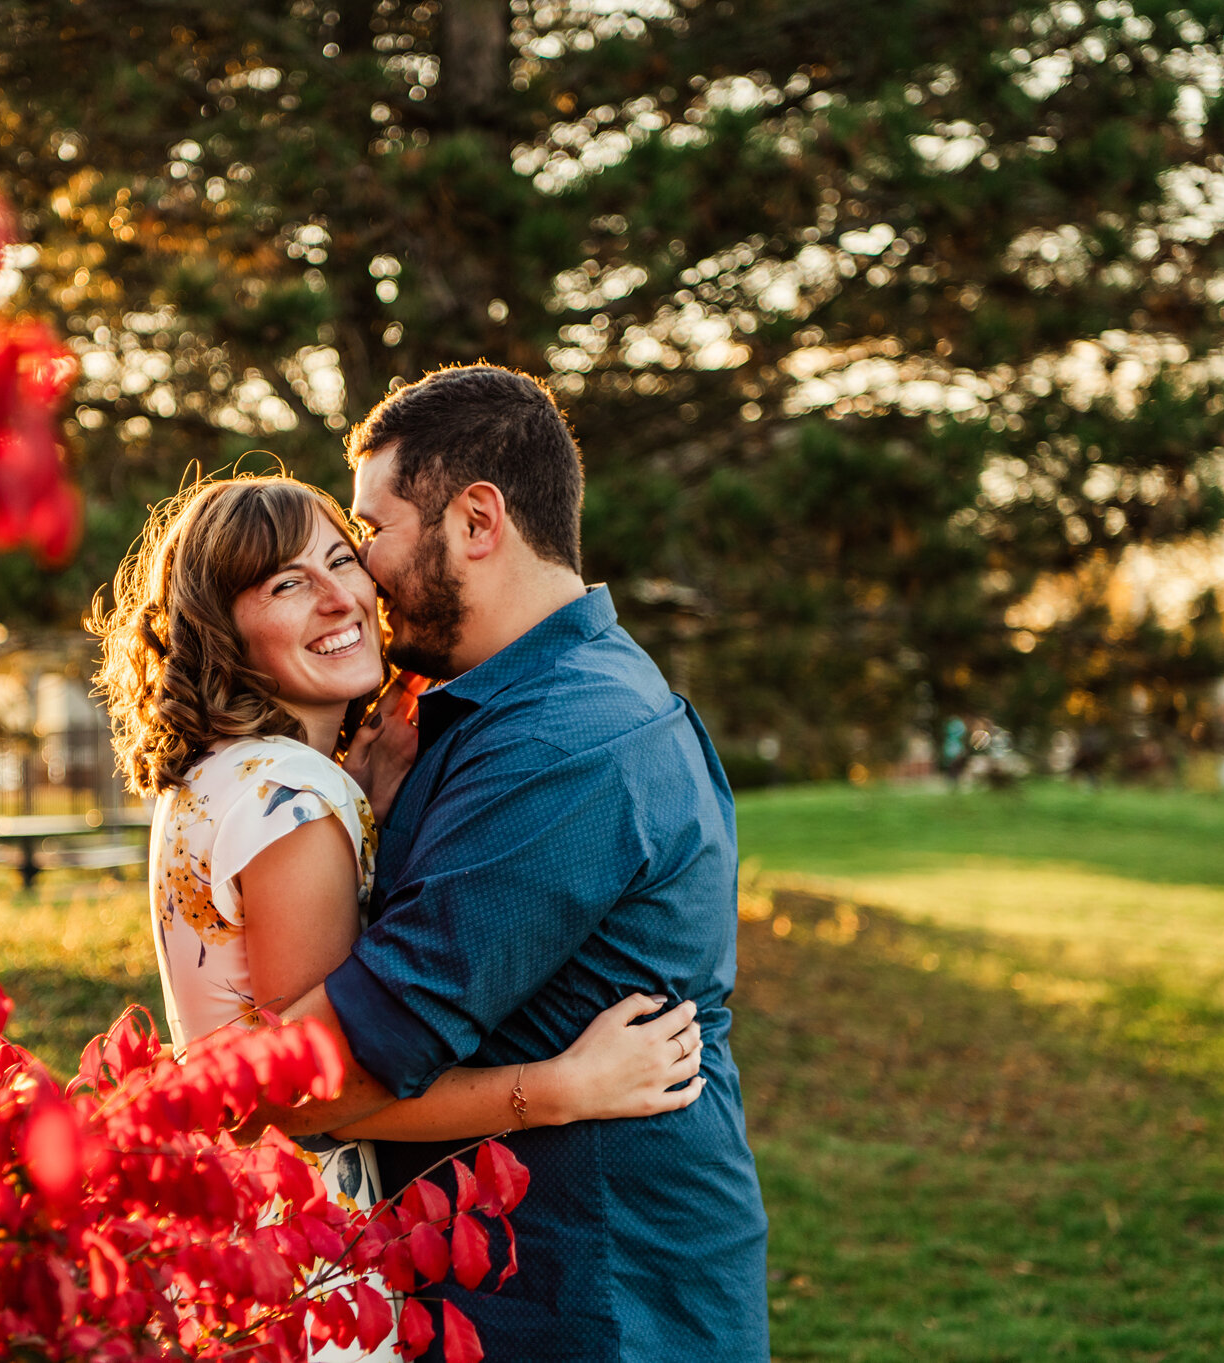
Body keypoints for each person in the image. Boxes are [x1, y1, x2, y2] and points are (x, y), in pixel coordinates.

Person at [91, 475, 712, 1362]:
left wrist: (365, 801)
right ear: (221, 631)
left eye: (343, 557)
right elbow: (319, 1093)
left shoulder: (228, 777)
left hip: (232, 1242)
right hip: (306, 1264)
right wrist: (563, 1088)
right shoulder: (292, 799)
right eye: (286, 583)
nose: (342, 595)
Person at [272, 365, 771, 1361]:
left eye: (369, 529)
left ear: (475, 519)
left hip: (586, 1304)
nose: (358, 573)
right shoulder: (486, 709)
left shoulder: (563, 745)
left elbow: (316, 1079)